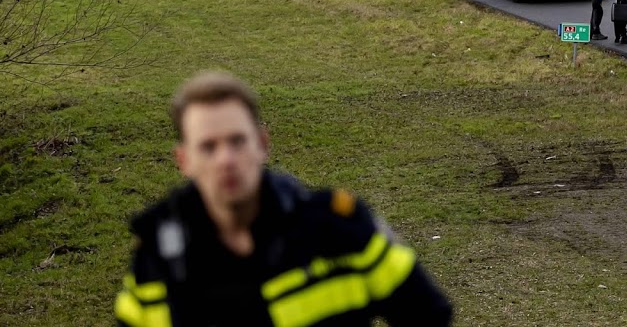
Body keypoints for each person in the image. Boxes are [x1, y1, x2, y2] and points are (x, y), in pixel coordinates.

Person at [114, 71, 453, 326]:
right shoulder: (156, 257)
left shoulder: (339, 229)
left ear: (262, 143)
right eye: (208, 147)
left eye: (237, 141)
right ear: (184, 160)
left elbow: (429, 314)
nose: (226, 160)